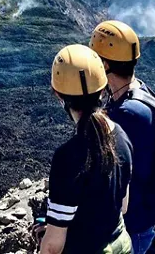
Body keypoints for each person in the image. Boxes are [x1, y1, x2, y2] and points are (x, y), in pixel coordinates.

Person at [39, 44, 133, 254]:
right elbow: (123, 206)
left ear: (57, 94)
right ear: (102, 88)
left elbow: (53, 246)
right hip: (122, 246)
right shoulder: (122, 137)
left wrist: (52, 230)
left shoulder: (67, 157)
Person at [89, 20, 155, 254]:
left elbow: (117, 188)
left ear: (105, 64)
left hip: (132, 229)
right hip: (142, 222)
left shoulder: (126, 115)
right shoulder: (139, 93)